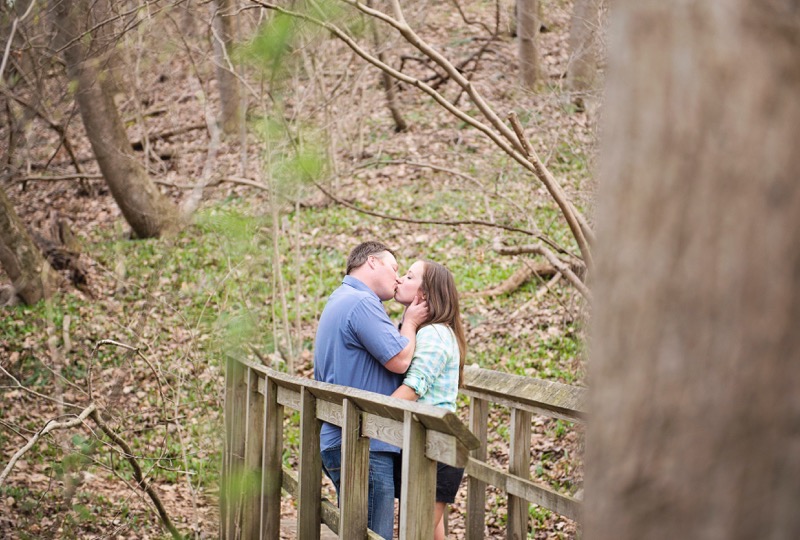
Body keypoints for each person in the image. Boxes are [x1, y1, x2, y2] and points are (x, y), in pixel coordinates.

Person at [314, 241, 428, 539]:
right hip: (364, 443)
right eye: (394, 268)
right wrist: (412, 323)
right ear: (373, 262)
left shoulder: (339, 298)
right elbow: (401, 359)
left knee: (356, 533)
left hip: (341, 434)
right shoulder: (361, 303)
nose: (397, 278)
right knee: (375, 535)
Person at [391, 260, 467, 540]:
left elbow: (414, 387)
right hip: (427, 445)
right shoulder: (425, 331)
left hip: (437, 449)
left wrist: (369, 417)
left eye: (409, 276)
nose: (399, 279)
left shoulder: (435, 334)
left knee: (417, 530)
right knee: (431, 533)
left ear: (424, 294)